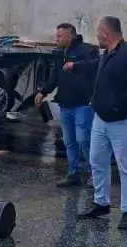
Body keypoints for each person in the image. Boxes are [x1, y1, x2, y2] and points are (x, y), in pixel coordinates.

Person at [69, 16, 127, 230]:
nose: (97, 35)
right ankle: (101, 202)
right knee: (97, 161)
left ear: (106, 32)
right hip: (101, 120)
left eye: (98, 31)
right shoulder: (108, 53)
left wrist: (116, 108)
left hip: (123, 121)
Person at [35, 23, 100, 187]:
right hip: (65, 103)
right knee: (69, 140)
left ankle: (95, 174)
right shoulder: (59, 54)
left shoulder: (87, 50)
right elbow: (55, 76)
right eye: (56, 36)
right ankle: (74, 174)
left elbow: (96, 66)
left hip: (83, 103)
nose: (56, 39)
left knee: (83, 139)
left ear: (70, 36)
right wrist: (43, 92)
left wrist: (76, 66)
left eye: (59, 36)